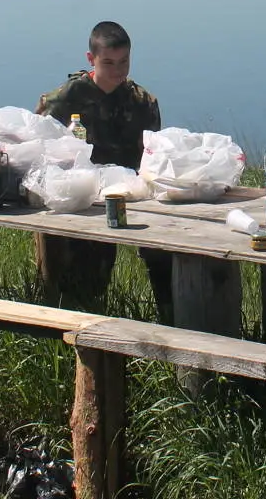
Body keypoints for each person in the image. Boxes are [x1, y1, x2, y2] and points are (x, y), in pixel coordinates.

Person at [36, 21, 174, 320]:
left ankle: (173, 319)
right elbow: (38, 148)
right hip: (81, 197)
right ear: (91, 59)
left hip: (134, 194)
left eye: (124, 61)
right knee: (86, 272)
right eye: (108, 62)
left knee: (167, 251)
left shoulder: (142, 102)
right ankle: (79, 321)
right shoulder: (65, 100)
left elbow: (154, 156)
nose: (117, 70)